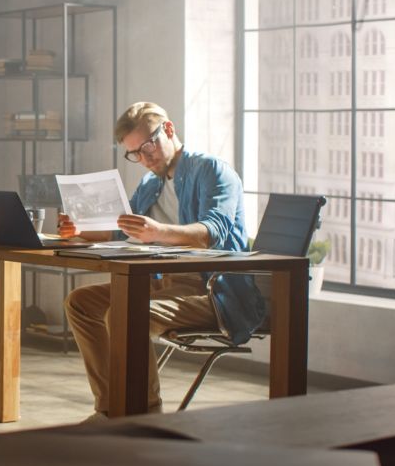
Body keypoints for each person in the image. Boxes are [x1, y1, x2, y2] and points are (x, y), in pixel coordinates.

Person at [59, 101, 261, 420]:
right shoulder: (151, 184)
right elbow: (122, 233)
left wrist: (157, 232)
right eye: (134, 153)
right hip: (163, 284)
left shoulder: (212, 170)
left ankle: (144, 413)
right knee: (80, 303)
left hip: (213, 291)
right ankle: (110, 408)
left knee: (125, 314)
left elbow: (211, 232)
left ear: (168, 129)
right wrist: (81, 231)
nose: (143, 158)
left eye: (147, 147)